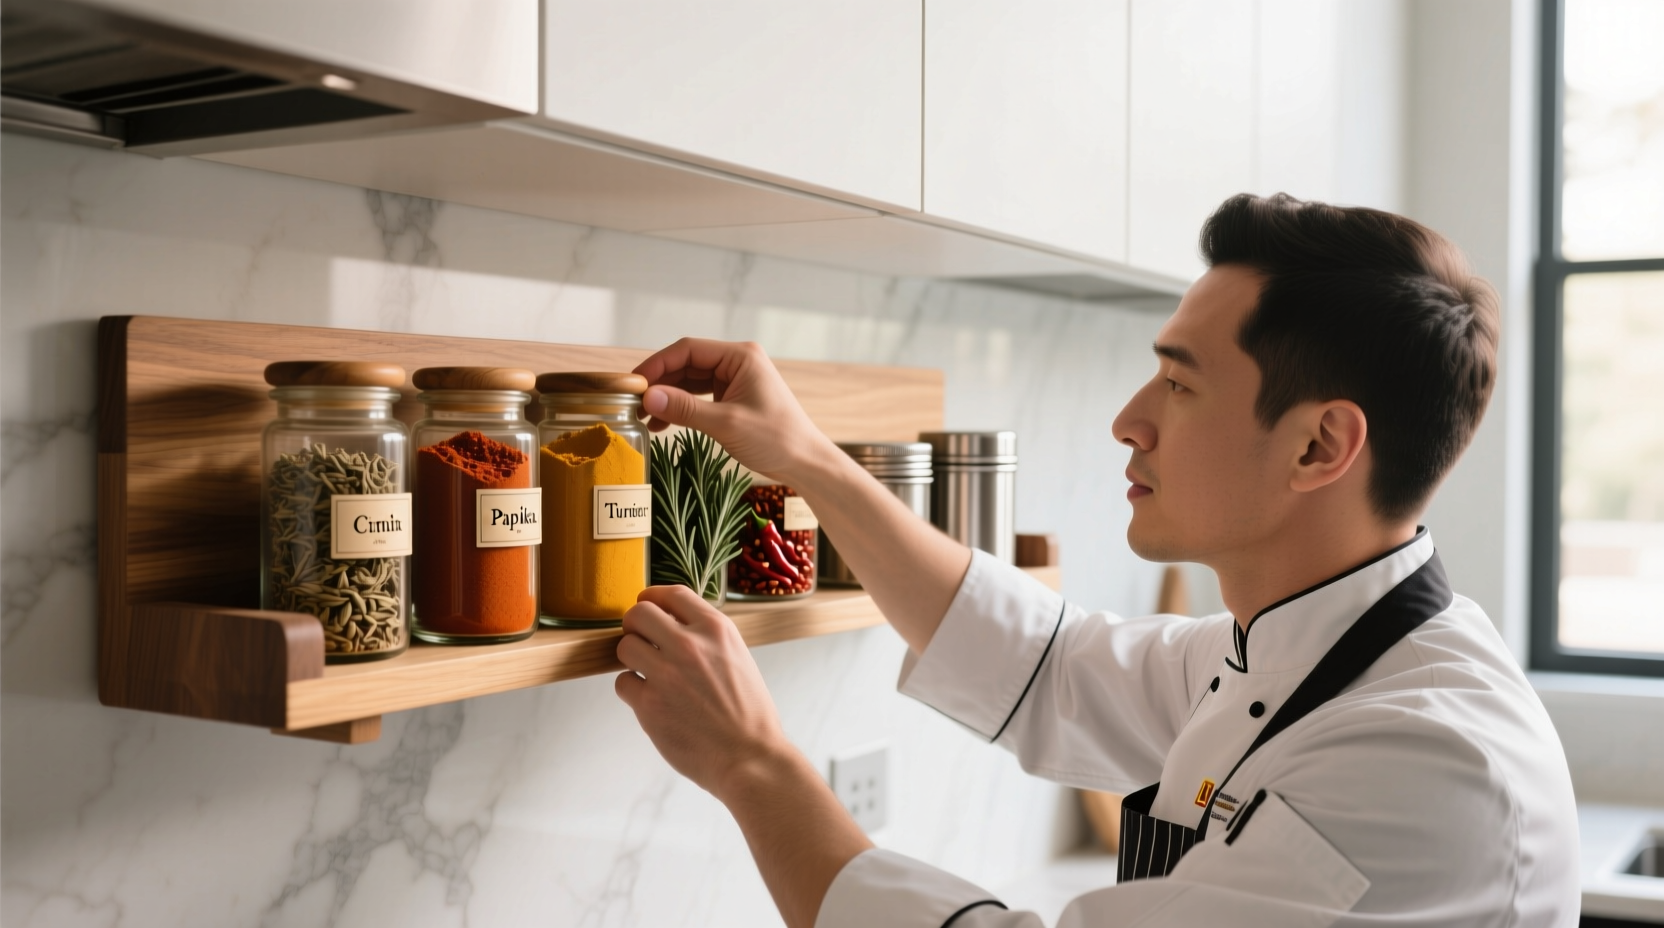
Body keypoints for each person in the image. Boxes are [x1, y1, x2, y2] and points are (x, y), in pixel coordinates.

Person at [612, 193, 1580, 927]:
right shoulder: (1297, 655)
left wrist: (752, 762)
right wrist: (807, 457)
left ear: (1317, 447)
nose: (1129, 420)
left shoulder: (1419, 764)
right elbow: (1047, 664)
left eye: (1177, 382)